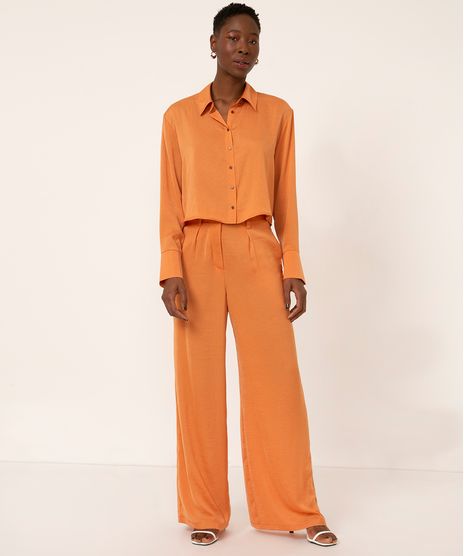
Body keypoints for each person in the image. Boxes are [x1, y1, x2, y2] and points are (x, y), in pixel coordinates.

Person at [158, 2, 338, 547]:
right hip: (196, 250)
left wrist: (293, 267)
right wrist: (170, 268)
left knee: (276, 384)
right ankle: (205, 511)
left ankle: (295, 507)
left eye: (253, 39)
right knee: (198, 387)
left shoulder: (278, 114)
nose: (244, 47)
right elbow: (170, 199)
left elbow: (287, 197)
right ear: (213, 43)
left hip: (260, 247)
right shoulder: (178, 117)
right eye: (234, 37)